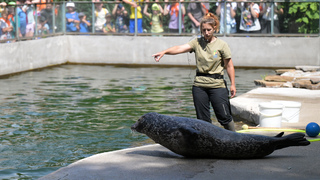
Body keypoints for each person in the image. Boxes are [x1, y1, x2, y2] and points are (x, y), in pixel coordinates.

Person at [152, 13, 236, 131]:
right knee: (202, 120)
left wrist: (232, 84)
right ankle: (208, 142)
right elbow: (179, 48)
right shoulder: (196, 42)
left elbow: (229, 66)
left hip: (217, 85)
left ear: (215, 28)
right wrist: (164, 52)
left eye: (209, 30)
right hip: (199, 86)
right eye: (203, 30)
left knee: (224, 116)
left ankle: (234, 137)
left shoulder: (222, 45)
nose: (206, 33)